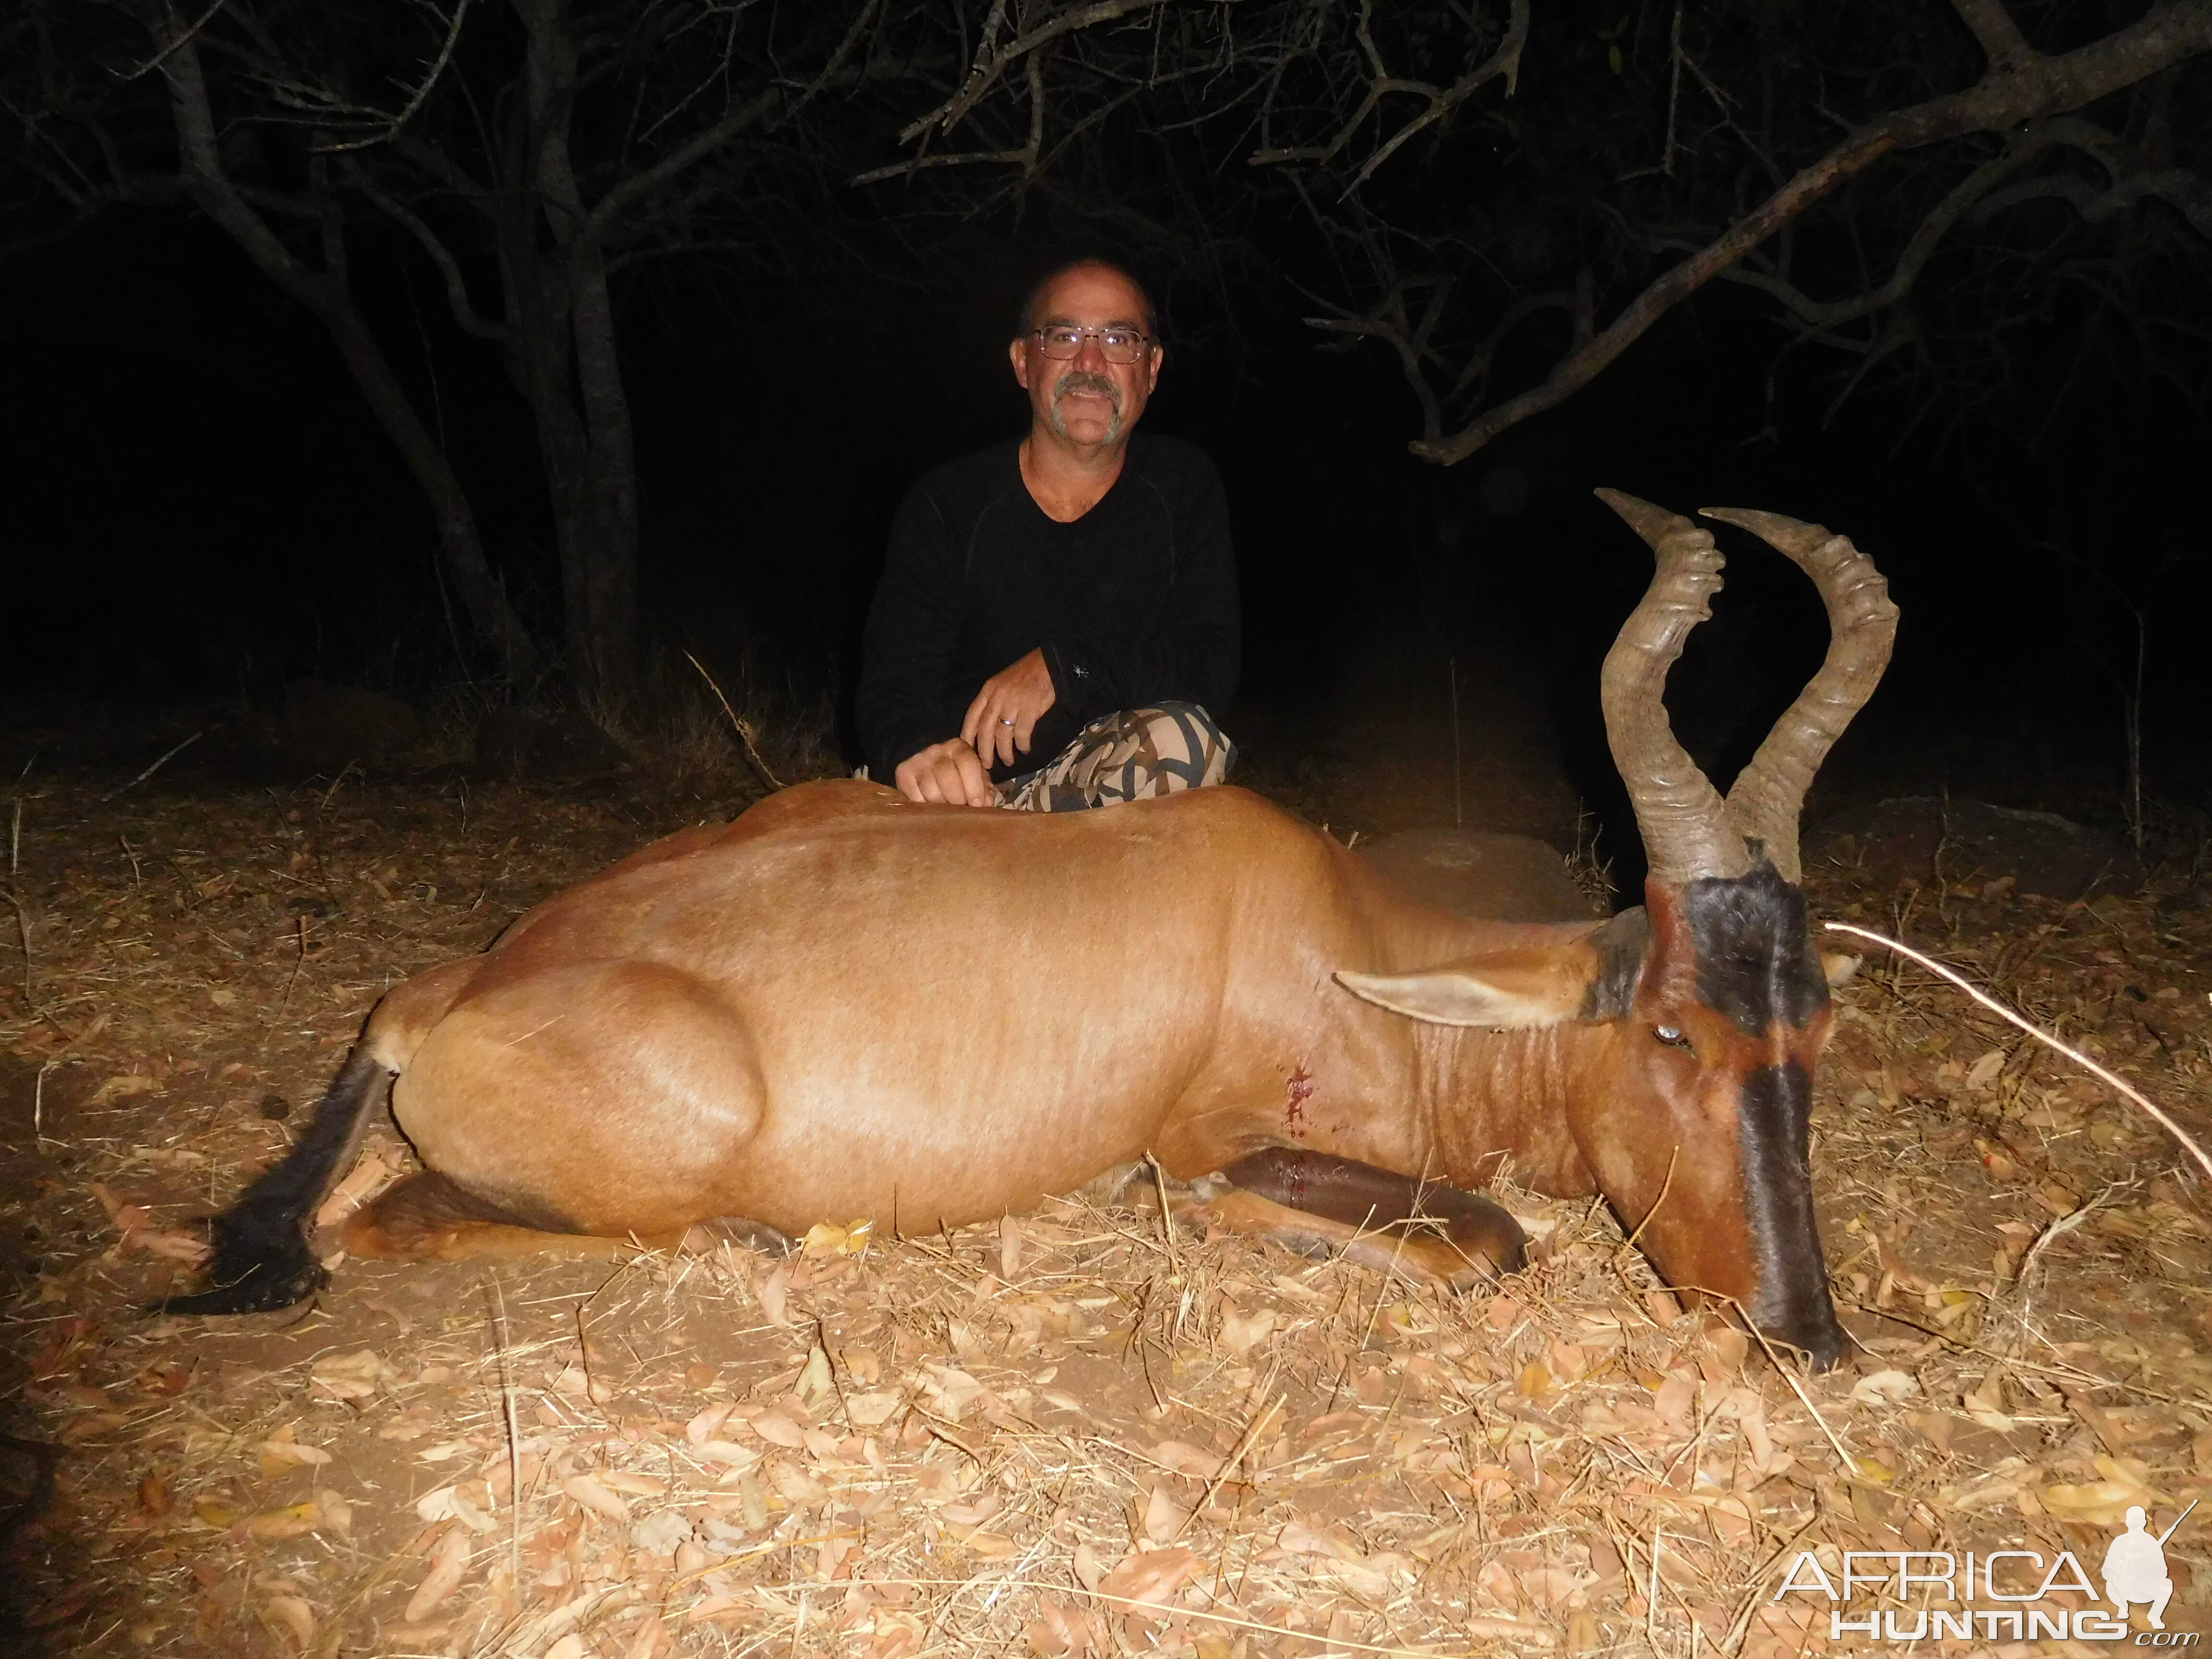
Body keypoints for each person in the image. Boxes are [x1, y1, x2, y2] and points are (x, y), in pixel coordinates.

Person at [855, 258, 1239, 811]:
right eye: (1064, 336)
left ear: (1151, 369)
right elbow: (892, 687)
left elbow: (1211, 666)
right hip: (964, 804)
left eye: (1118, 338)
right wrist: (918, 752)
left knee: (1185, 743)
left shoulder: (1183, 487)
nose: (1090, 361)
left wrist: (1066, 669)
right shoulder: (946, 503)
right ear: (1022, 362)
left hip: (1095, 810)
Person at [2101, 1504, 2174, 1629]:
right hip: (2123, 1588)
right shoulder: (2120, 1541)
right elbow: (2108, 1567)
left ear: (2144, 1522)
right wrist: (2120, 1569)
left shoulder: (2151, 1542)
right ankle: (2123, 1608)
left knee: (2167, 1585)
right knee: (2111, 1583)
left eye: (2138, 1519)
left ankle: (2155, 1615)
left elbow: (2162, 1570)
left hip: (2145, 1588)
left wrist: (2144, 1565)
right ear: (2128, 1522)